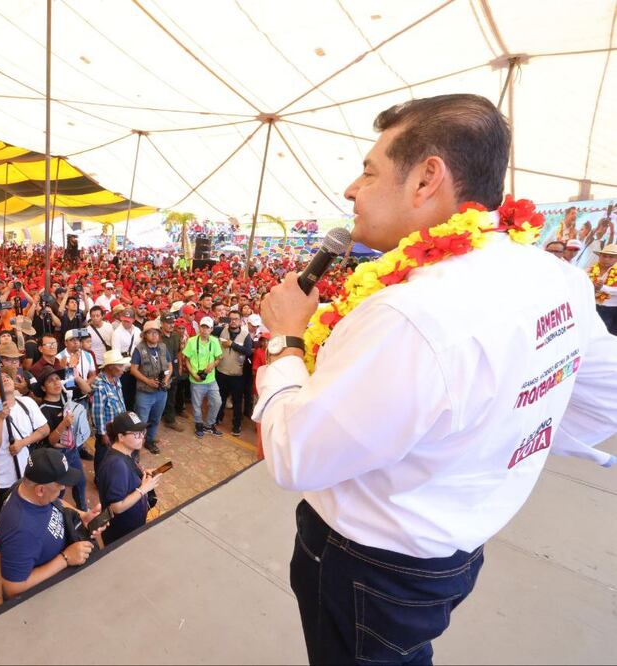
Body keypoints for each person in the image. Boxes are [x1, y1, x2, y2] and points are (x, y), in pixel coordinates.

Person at [253, 94, 617, 665]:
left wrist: (286, 340)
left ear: (427, 179)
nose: (351, 189)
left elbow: (293, 455)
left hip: (366, 564)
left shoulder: (408, 315)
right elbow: (604, 397)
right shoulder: (556, 278)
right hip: (453, 554)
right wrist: (491, 441)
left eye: (369, 171)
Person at [0, 448, 102, 599]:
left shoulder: (26, 487)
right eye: (60, 486)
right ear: (40, 490)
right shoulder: (21, 532)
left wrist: (82, 516)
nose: (64, 488)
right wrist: (65, 558)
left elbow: (55, 501)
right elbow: (13, 587)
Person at [0, 371, 49, 530]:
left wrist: (23, 443)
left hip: (29, 475)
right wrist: (0, 418)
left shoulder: (27, 402)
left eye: (7, 377)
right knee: (2, 523)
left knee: (30, 517)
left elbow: (44, 429)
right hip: (2, 481)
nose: (5, 378)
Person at [95, 411, 162, 546]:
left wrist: (142, 474)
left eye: (142, 432)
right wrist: (144, 489)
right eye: (136, 434)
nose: (142, 437)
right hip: (122, 532)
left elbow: (127, 478)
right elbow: (117, 507)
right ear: (121, 436)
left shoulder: (125, 453)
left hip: (131, 524)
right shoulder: (116, 465)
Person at [35, 366, 90, 510]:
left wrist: (77, 377)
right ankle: (56, 515)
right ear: (43, 387)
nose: (56, 383)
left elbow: (87, 390)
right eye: (50, 381)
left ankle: (83, 511)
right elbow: (51, 441)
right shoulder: (43, 409)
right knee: (59, 489)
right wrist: (63, 424)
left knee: (81, 481)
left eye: (58, 379)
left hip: (72, 450)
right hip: (57, 455)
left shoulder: (67, 396)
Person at [129, 320, 172, 454]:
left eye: (156, 333)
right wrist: (147, 381)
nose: (154, 335)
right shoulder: (139, 349)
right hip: (145, 393)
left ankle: (150, 440)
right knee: (142, 421)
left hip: (161, 392)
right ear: (145, 335)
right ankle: (135, 447)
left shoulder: (163, 347)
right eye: (150, 333)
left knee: (155, 418)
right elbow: (133, 370)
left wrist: (165, 379)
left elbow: (170, 366)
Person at [90, 349, 130, 475]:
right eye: (120, 365)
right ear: (111, 367)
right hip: (107, 430)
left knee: (115, 454)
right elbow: (98, 413)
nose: (123, 369)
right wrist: (103, 434)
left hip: (117, 427)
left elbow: (120, 401)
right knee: (103, 456)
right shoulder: (99, 385)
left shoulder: (116, 379)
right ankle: (99, 479)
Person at [183, 316, 223, 439]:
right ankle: (199, 424)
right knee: (196, 405)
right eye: (202, 327)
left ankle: (209, 424)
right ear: (199, 327)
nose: (204, 330)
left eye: (207, 327)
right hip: (196, 380)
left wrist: (213, 364)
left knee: (217, 402)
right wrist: (193, 374)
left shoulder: (215, 341)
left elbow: (219, 357)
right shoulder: (191, 341)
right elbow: (187, 360)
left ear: (211, 329)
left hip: (211, 380)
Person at [214, 310, 253, 436]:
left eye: (236, 319)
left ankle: (236, 425)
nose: (233, 321)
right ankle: (217, 418)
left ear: (241, 320)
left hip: (237, 375)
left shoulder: (245, 334)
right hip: (221, 371)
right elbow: (208, 330)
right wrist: (216, 321)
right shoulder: (221, 330)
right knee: (221, 398)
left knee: (237, 402)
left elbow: (248, 351)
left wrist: (232, 345)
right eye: (230, 319)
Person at [111, 311, 141, 409]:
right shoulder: (117, 333)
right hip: (124, 367)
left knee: (134, 393)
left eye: (128, 321)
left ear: (133, 320)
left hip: (136, 366)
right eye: (124, 320)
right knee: (125, 393)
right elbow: (116, 352)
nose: (125, 323)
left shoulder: (137, 331)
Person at [588, 243, 617, 334]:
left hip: (608, 310)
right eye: (604, 256)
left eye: (611, 257)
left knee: (599, 333)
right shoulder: (589, 269)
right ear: (599, 256)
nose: (606, 259)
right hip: (589, 304)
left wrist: (602, 287)